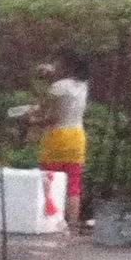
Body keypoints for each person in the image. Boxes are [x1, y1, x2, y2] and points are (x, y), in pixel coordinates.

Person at [31, 52, 92, 233]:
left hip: (57, 137)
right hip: (77, 136)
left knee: (49, 179)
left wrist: (33, 120)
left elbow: (50, 116)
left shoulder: (56, 87)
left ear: (66, 66)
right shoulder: (83, 85)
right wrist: (51, 73)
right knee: (73, 184)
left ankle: (49, 220)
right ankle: (71, 224)